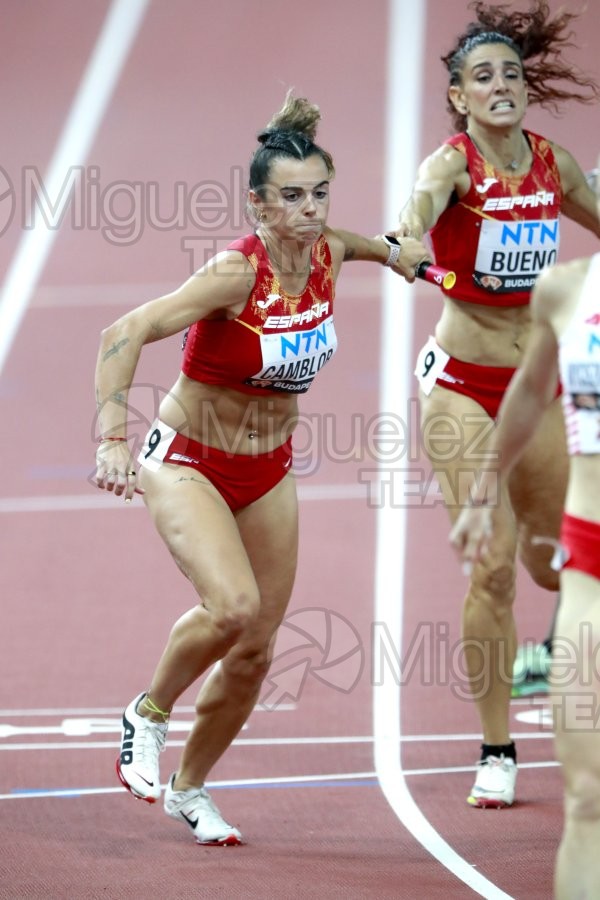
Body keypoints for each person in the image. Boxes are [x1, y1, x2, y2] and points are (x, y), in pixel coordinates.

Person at [93, 91, 430, 846]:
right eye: (292, 198)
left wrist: (395, 251)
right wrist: (110, 440)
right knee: (233, 607)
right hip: (188, 460)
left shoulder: (328, 253)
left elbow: (354, 242)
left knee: (255, 652)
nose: (309, 211)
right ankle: (144, 714)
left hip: (268, 469)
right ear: (258, 205)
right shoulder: (233, 277)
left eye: (319, 194)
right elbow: (126, 330)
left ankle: (192, 788)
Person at [392, 0, 600, 808]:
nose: (501, 85)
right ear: (460, 97)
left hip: (538, 385)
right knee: (491, 573)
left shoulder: (554, 164)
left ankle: (553, 653)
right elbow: (413, 215)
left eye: (511, 74)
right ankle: (497, 748)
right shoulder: (450, 166)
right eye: (483, 77)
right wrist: (409, 242)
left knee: (555, 571)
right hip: (462, 388)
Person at [450, 151, 600, 899]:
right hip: (591, 576)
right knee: (587, 800)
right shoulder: (568, 292)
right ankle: (498, 746)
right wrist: (483, 491)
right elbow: (527, 394)